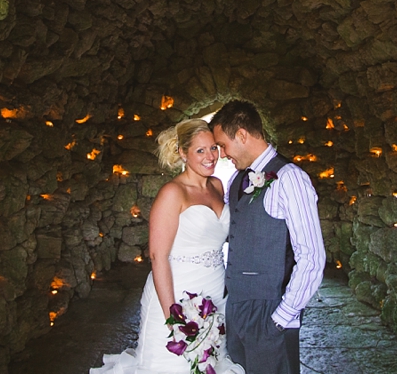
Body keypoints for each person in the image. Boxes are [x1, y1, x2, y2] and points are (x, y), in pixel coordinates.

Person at [91, 119, 244, 374]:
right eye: (200, 150)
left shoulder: (217, 185)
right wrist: (174, 319)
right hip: (176, 294)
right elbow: (157, 256)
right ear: (183, 153)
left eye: (214, 148)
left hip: (214, 292)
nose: (211, 157)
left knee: (210, 364)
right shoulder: (172, 193)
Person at [209, 100, 326, 374]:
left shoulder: (290, 178)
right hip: (237, 311)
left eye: (223, 145)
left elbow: (312, 256)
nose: (223, 155)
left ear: (242, 135)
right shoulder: (236, 180)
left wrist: (281, 319)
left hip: (270, 313)